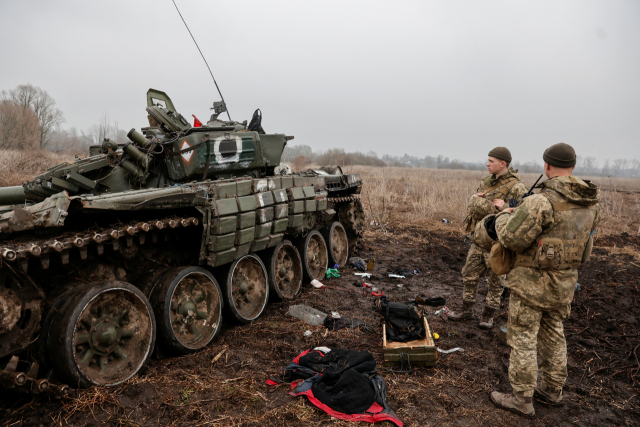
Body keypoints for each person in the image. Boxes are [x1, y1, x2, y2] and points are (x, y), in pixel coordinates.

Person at [489, 143, 600, 418]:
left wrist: (504, 216)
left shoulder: (541, 201)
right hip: (564, 285)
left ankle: (521, 399)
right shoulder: (590, 204)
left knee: (523, 338)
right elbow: (586, 248)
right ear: (572, 168)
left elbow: (512, 239)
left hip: (531, 285)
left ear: (547, 166)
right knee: (554, 335)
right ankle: (552, 390)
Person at [450, 147, 527, 328]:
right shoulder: (487, 182)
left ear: (503, 163)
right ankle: (466, 310)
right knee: (469, 276)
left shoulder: (517, 187)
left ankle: (488, 316)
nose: (487, 164)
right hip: (479, 240)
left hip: (498, 244)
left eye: (491, 161)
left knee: (496, 283)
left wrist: (506, 206)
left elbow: (526, 211)